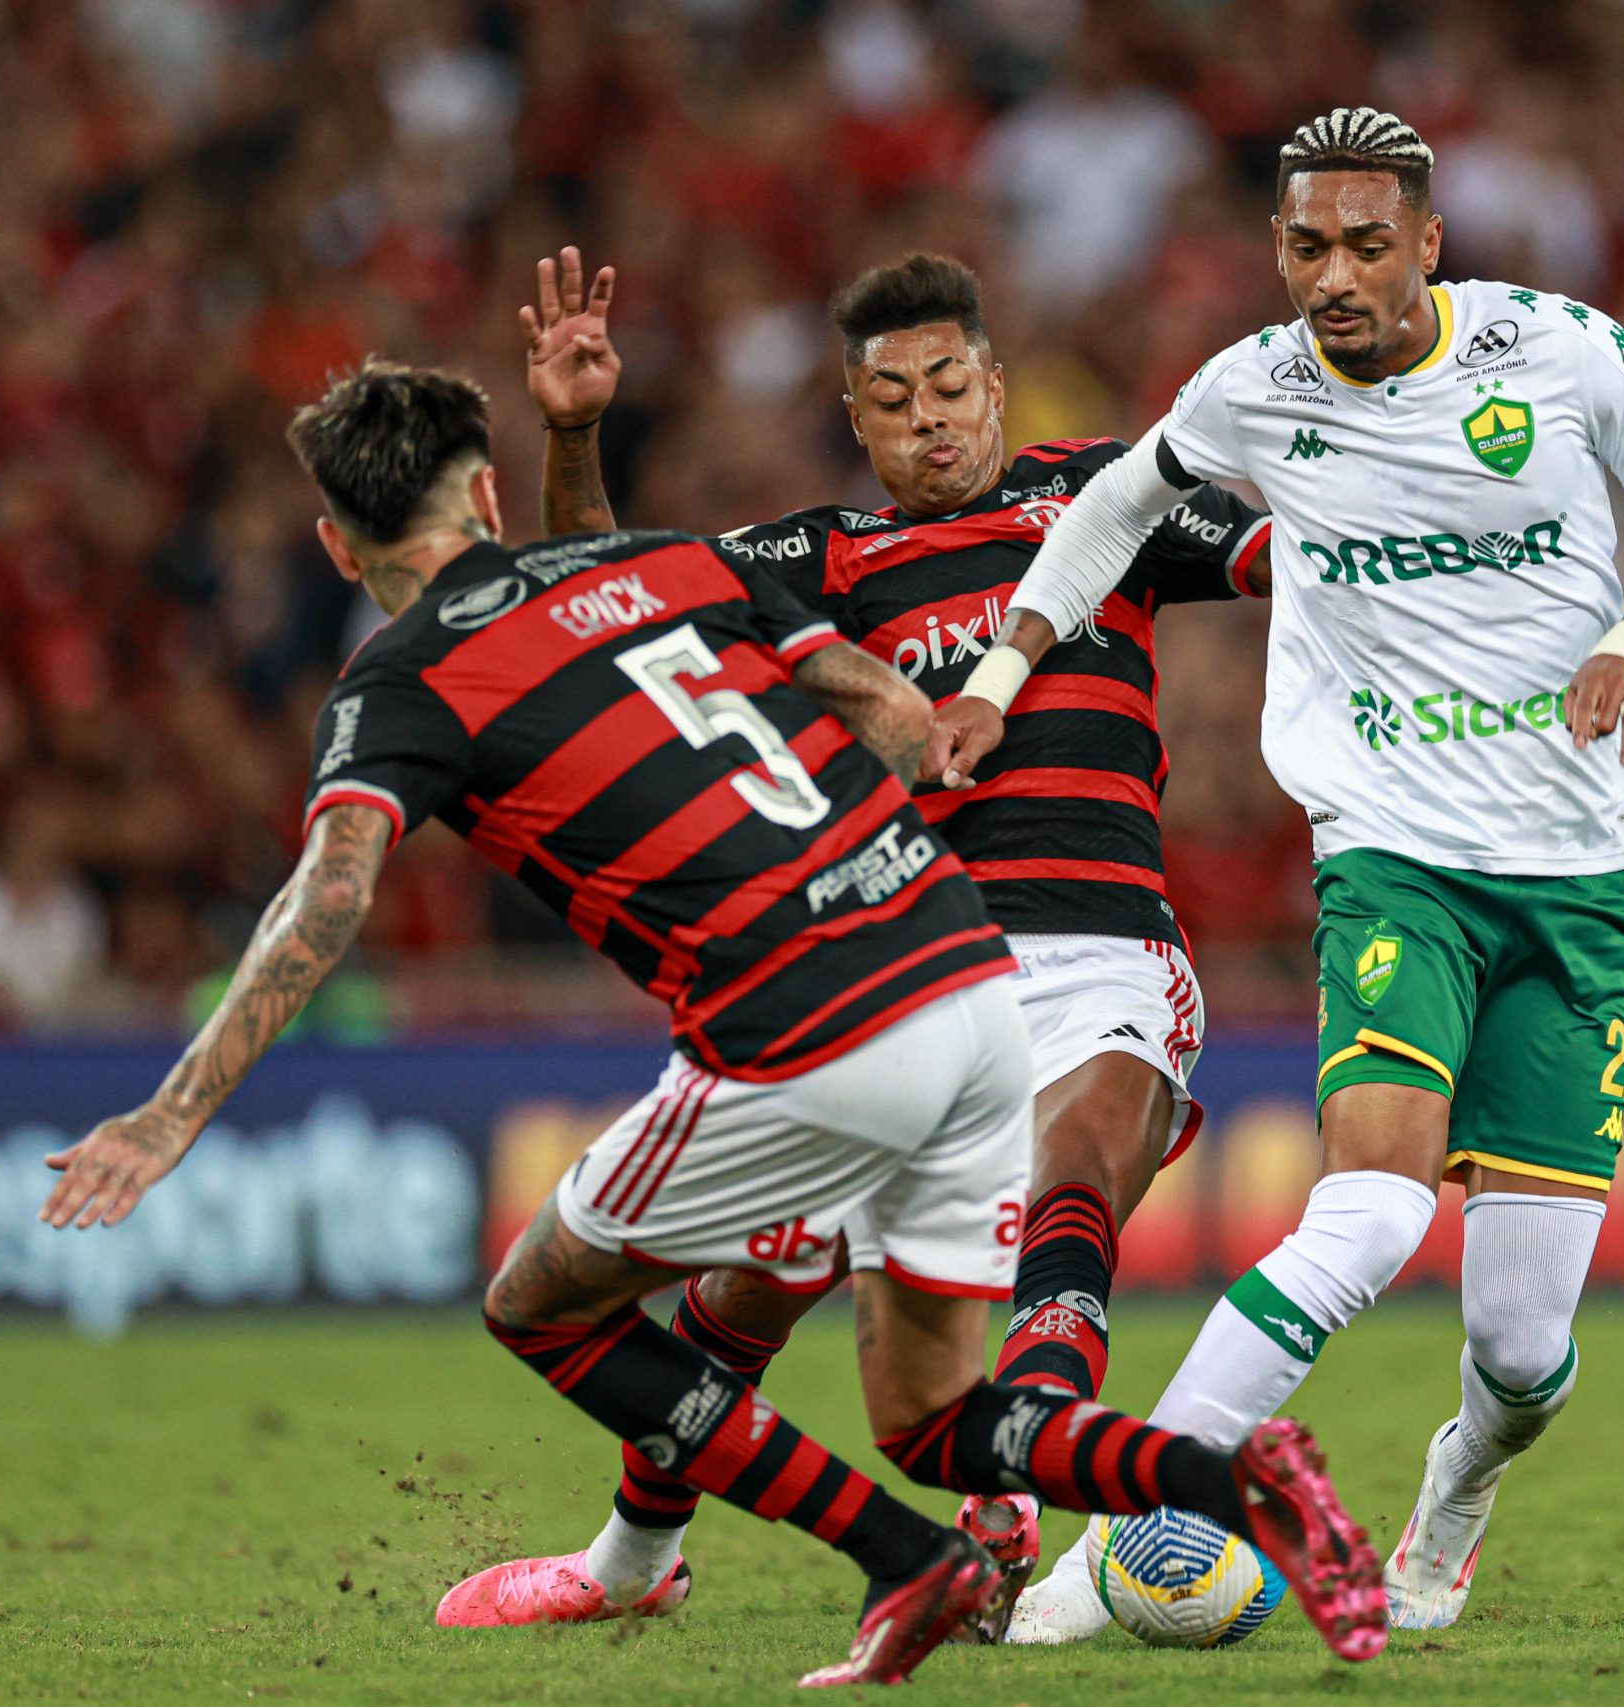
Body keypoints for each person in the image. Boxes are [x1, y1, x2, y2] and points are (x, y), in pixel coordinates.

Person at [36, 361, 1385, 1681]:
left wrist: (171, 1112)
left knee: (543, 1305)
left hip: (806, 1021)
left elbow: (324, 902)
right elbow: (874, 698)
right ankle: (1232, 1479)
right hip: (959, 971)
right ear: (489, 489)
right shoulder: (672, 570)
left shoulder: (401, 683)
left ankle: (874, 1562)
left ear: (336, 545)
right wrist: (940, 749)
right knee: (921, 1410)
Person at [928, 106, 1624, 1637]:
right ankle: (1108, 1551)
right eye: (1307, 244)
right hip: (1394, 862)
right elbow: (1110, 506)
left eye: (1367, 245)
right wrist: (1001, 671)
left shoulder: (1561, 354)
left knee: (1522, 1355)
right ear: (1278, 246)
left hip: (1576, 886)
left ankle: (1458, 1481)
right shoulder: (1251, 391)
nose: (1335, 274)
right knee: (1372, 1213)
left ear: (1428, 245)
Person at [446, 248, 1271, 1638]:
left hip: (1100, 951)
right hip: (902, 975)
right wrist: (577, 432)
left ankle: (1006, 1509)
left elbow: (1294, 555)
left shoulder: (1100, 498)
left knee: (1074, 1181)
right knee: (752, 1283)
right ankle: (629, 1564)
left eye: (951, 385)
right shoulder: (815, 559)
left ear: (996, 387)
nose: (929, 418)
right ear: (856, 421)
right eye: (894, 399)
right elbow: (598, 602)